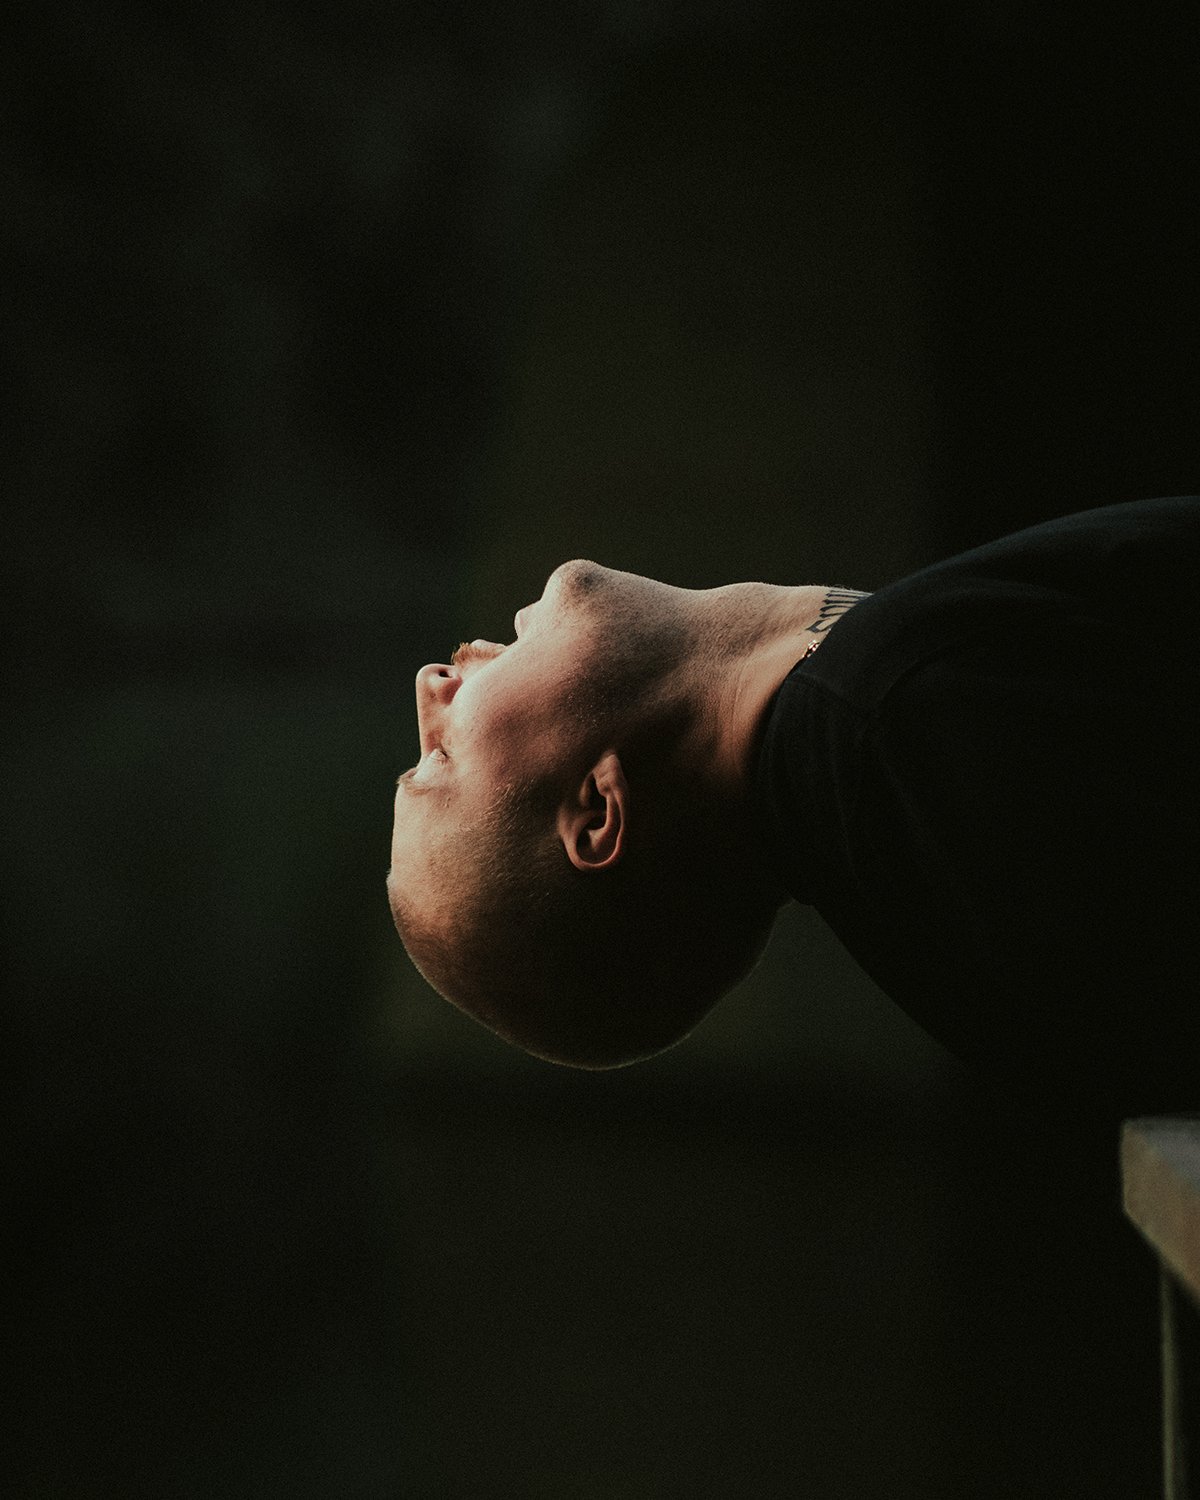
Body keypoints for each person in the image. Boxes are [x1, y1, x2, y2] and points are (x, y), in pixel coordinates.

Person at [387, 496, 1200, 1116]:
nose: (429, 684)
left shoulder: (884, 750)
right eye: (441, 758)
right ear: (597, 813)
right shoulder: (900, 743)